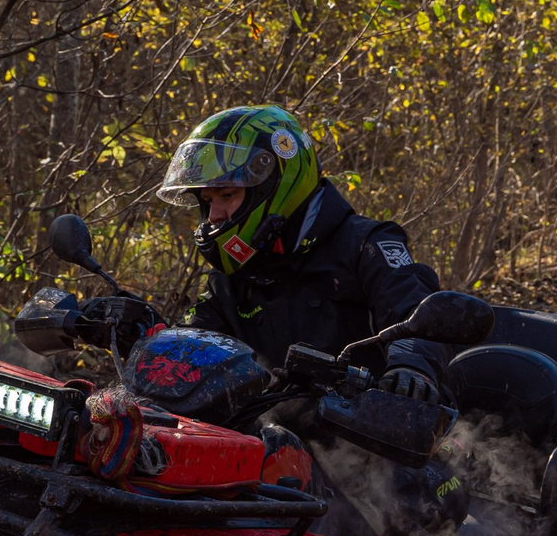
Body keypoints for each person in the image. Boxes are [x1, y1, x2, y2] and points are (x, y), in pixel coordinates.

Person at [156, 105, 448, 403]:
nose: (215, 215)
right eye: (208, 200)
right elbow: (191, 344)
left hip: (372, 424)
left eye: (228, 195)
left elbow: (413, 312)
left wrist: (411, 369)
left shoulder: (366, 245)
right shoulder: (235, 275)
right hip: (265, 427)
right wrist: (147, 336)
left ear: (276, 184)